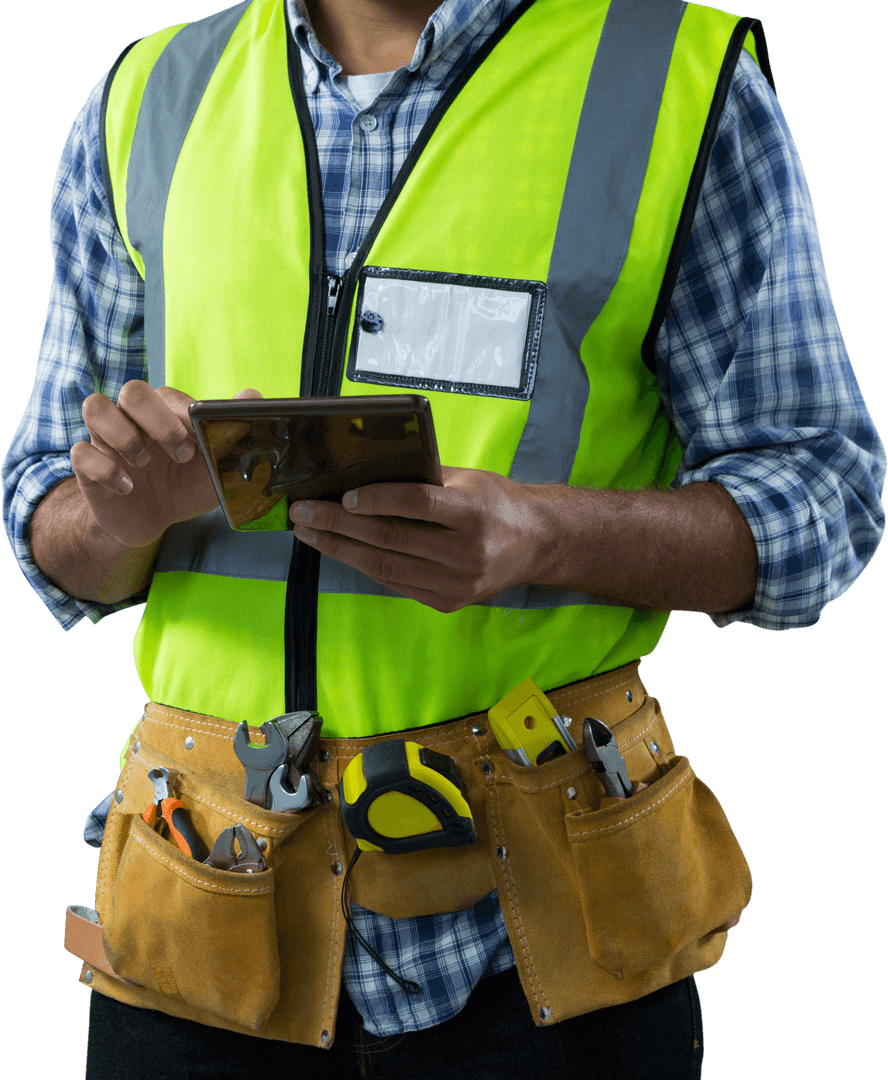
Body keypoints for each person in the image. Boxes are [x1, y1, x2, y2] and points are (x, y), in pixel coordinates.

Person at [2, 0, 884, 1078]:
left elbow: (826, 494)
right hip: (201, 926)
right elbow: (47, 521)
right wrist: (117, 517)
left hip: (545, 944)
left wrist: (542, 537)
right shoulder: (147, 99)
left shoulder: (675, 84)